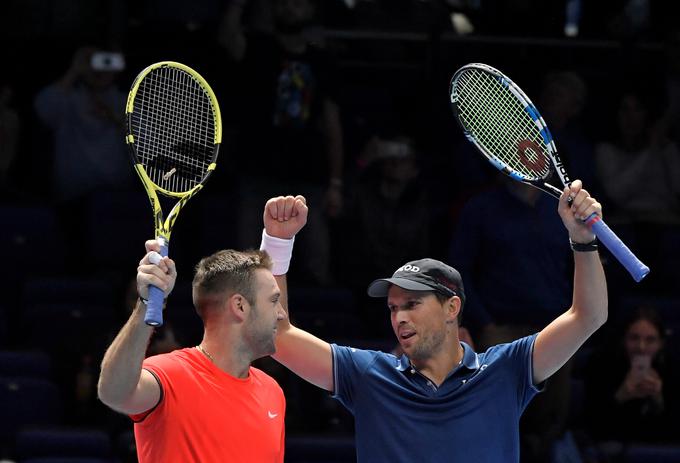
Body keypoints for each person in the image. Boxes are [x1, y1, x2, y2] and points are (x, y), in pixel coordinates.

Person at [262, 180, 607, 462]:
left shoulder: (506, 369)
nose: (400, 317)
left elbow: (587, 316)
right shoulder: (368, 375)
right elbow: (276, 335)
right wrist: (277, 243)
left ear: (451, 308)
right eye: (393, 308)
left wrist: (583, 240)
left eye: (412, 304)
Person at [97, 195, 307, 462]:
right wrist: (144, 306)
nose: (281, 313)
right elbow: (113, 392)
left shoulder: (272, 391)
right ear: (239, 306)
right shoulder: (171, 374)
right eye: (274, 301)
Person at [218, 0, 344, 286]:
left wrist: (336, 182)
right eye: (285, 2)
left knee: (317, 258)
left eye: (299, 3)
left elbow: (332, 123)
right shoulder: (257, 48)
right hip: (257, 169)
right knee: (247, 260)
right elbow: (228, 37)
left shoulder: (322, 61)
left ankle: (317, 321)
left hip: (307, 173)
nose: (291, 7)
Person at [584, 306, 680, 452]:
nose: (641, 347)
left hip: (657, 446)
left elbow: (673, 430)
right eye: (634, 338)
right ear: (624, 339)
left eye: (650, 340)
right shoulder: (602, 364)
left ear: (661, 343)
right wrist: (621, 395)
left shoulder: (672, 369)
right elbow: (592, 423)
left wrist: (659, 400)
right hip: (611, 444)